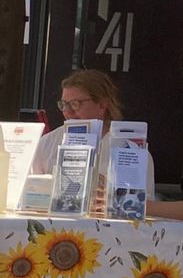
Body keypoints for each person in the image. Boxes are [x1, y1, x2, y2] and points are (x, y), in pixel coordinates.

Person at [30, 69, 154, 199]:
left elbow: (143, 205)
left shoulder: (130, 149)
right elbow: (31, 194)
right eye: (64, 104)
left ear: (101, 105)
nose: (68, 111)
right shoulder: (47, 143)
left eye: (75, 104)